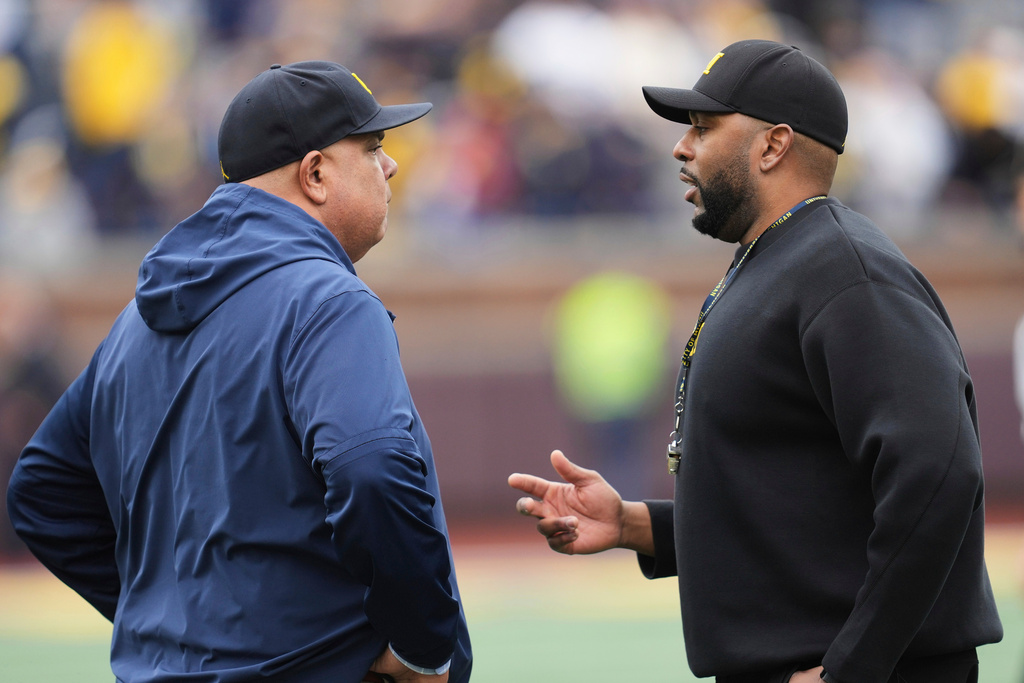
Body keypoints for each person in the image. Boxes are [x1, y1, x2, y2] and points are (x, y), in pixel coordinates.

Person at [509, 39, 1002, 683]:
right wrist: (634, 524)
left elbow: (939, 476)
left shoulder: (847, 272)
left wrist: (853, 669)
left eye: (704, 128)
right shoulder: (775, 259)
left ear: (773, 145)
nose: (682, 149)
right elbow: (794, 506)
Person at [7, 61, 471, 683]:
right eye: (372, 147)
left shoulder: (135, 322)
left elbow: (42, 491)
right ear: (314, 174)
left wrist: (167, 621)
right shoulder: (327, 300)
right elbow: (372, 469)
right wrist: (421, 645)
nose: (389, 166)